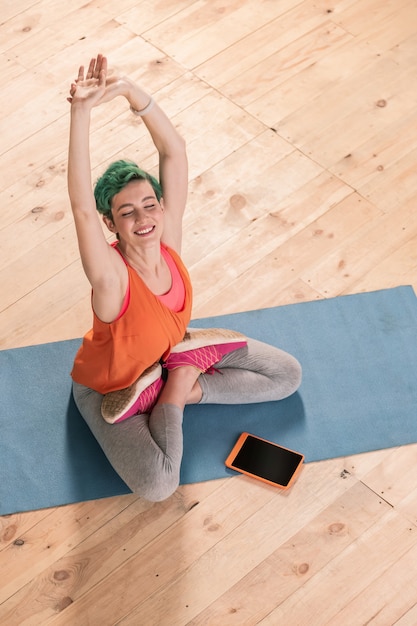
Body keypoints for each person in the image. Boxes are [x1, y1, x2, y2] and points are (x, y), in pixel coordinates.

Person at [68, 54, 302, 502]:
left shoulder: (167, 237)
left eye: (149, 204)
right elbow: (79, 205)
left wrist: (133, 91)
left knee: (287, 375)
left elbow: (174, 151)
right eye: (127, 212)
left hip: (167, 349)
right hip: (111, 386)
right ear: (110, 223)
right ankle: (177, 385)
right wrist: (81, 112)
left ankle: (177, 375)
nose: (144, 218)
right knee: (159, 485)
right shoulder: (112, 277)